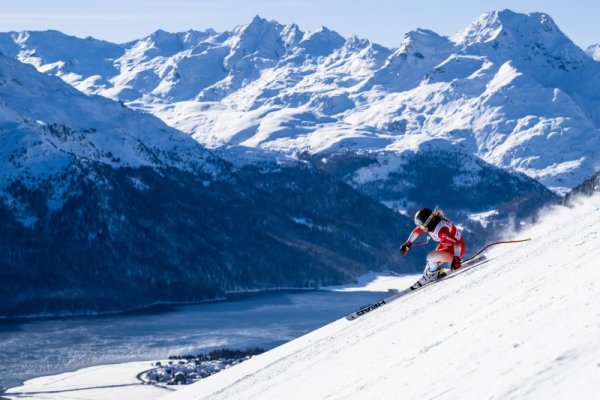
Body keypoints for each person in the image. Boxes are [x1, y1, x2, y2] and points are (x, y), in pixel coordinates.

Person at [400, 208, 465, 290]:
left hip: (456, 249)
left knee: (431, 257)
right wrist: (408, 244)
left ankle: (432, 275)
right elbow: (416, 231)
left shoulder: (441, 231)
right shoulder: (432, 223)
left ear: (428, 222)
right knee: (430, 263)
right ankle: (430, 274)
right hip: (447, 245)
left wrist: (456, 259)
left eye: (421, 225)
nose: (420, 227)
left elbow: (457, 243)